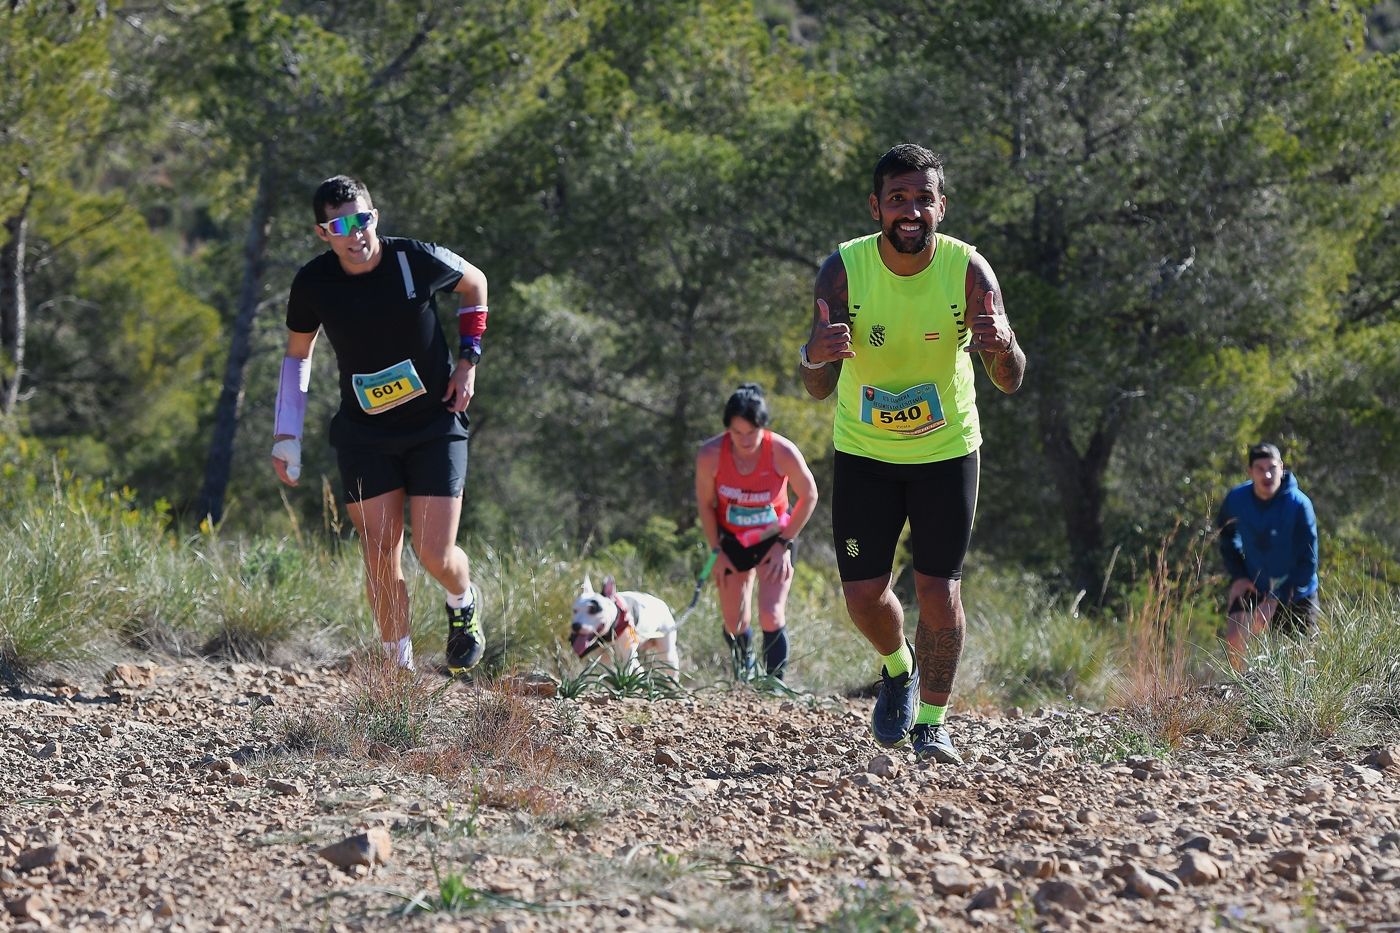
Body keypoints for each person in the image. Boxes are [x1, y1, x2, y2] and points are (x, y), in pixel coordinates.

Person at [799, 144, 1025, 763]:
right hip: (865, 454)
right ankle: (897, 668)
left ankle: (933, 721)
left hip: (946, 451)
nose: (911, 211)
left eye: (924, 199)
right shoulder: (842, 272)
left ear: (941, 207)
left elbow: (1010, 378)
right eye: (898, 198)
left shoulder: (969, 271)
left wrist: (1003, 346)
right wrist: (816, 355)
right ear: (876, 207)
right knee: (863, 597)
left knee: (937, 590)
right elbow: (817, 388)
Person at [270, 175, 489, 675]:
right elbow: (297, 357)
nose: (356, 233)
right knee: (378, 552)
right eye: (340, 225)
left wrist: (467, 362)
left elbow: (475, 282)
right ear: (323, 233)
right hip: (365, 434)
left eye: (363, 218)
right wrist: (287, 434)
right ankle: (399, 670)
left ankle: (462, 599)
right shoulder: (313, 283)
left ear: (375, 216)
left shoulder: (415, 259)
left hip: (436, 422)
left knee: (433, 552)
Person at [694, 384, 818, 681]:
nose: (745, 440)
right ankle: (744, 676)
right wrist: (716, 551)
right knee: (735, 621)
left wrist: (784, 544)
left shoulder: (781, 451)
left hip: (774, 539)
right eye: (737, 433)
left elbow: (809, 495)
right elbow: (705, 503)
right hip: (732, 541)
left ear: (763, 426)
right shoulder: (710, 454)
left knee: (771, 614)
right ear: (728, 430)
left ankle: (774, 685)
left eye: (752, 432)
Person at [1217, 442, 1320, 672]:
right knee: (1235, 636)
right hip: (1255, 583)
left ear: (1281, 468)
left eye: (1272, 467)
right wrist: (1239, 576)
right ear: (1250, 471)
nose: (1267, 474)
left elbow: (1308, 562)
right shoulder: (1237, 499)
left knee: (1301, 663)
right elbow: (1225, 535)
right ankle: (1240, 688)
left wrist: (1275, 599)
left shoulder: (1299, 505)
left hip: (1296, 592)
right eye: (1260, 468)